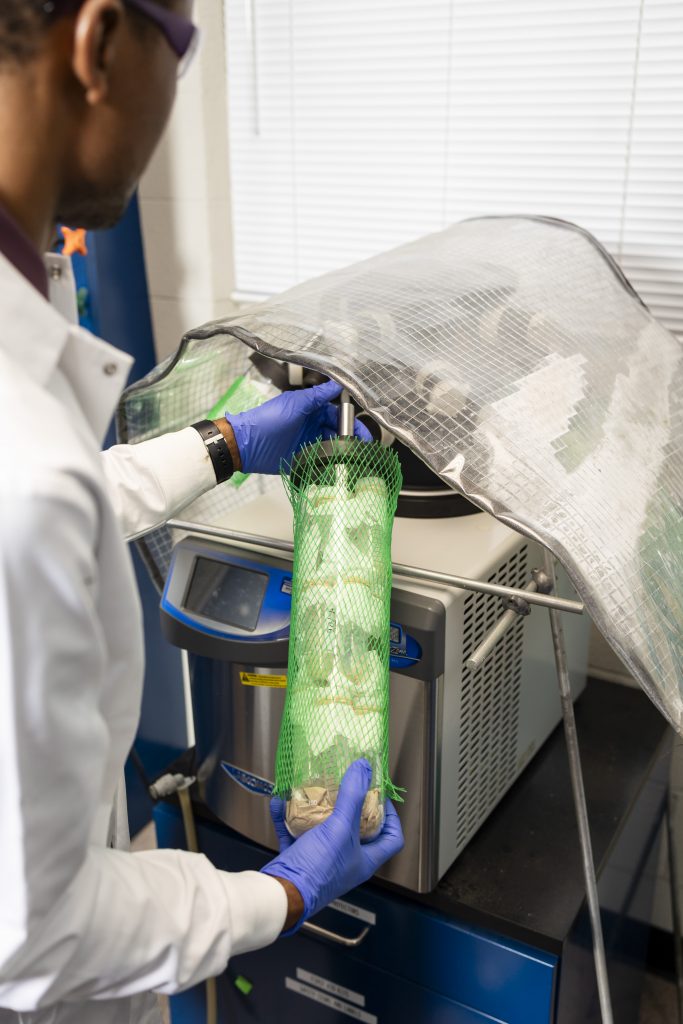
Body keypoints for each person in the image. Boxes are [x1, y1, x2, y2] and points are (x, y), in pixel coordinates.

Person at [0, 2, 404, 1022]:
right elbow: (40, 935)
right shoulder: (30, 466)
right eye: (180, 47)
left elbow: (59, 499)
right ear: (98, 42)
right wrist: (279, 890)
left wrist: (224, 443)